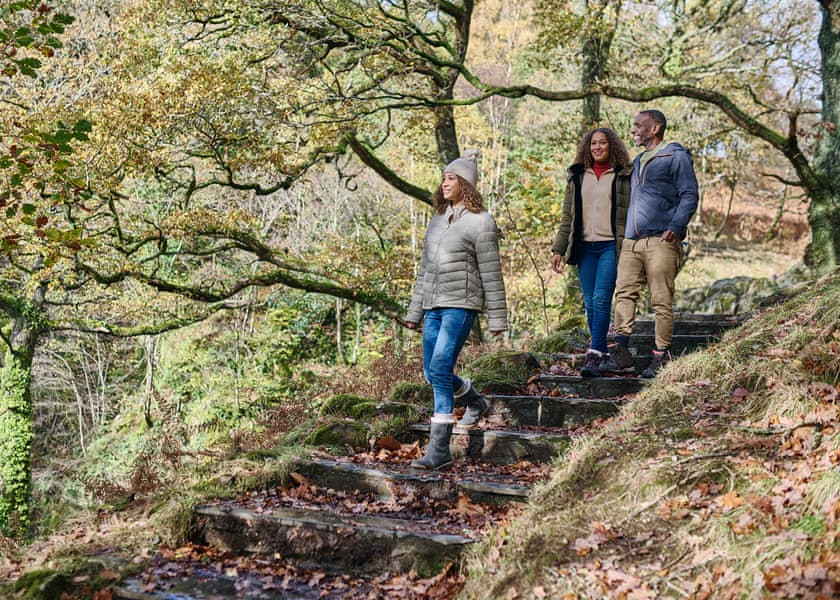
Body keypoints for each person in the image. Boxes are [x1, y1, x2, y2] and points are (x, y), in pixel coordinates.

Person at [406, 150, 508, 470]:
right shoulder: (436, 220)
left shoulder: (481, 222)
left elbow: (491, 271)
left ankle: (439, 450)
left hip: (461, 305)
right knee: (431, 372)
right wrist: (414, 312)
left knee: (439, 367)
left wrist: (498, 317)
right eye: (444, 177)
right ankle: (474, 400)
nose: (444, 182)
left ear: (466, 184)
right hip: (432, 304)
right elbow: (424, 269)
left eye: (451, 178)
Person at [601, 109, 699, 378]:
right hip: (632, 242)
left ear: (655, 128)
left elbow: (689, 194)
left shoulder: (674, 156)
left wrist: (675, 228)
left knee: (660, 299)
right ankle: (621, 355)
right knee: (623, 294)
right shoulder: (638, 161)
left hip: (661, 240)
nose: (633, 130)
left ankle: (660, 355)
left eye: (638, 125)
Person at [551, 128, 633, 376]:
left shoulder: (623, 175)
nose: (597, 147)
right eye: (593, 143)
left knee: (600, 298)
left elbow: (631, 211)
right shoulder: (576, 176)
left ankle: (595, 352)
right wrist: (559, 248)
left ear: (612, 146)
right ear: (587, 147)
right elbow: (568, 217)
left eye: (603, 143)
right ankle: (601, 352)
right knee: (589, 303)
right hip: (584, 246)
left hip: (611, 245)